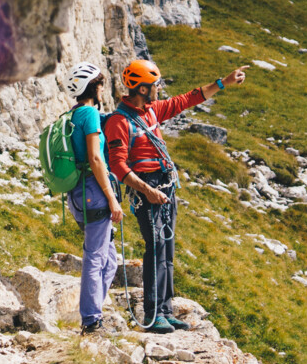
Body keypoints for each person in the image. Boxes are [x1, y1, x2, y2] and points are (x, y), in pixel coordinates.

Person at [104, 59, 248, 331]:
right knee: (155, 247)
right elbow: (118, 165)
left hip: (165, 184)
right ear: (143, 89)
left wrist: (223, 83)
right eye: (156, 85)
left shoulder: (151, 111)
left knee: (166, 248)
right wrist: (148, 191)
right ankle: (152, 314)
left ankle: (166, 310)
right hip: (146, 186)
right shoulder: (119, 121)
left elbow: (187, 100)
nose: (159, 89)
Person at [61, 62, 124, 332]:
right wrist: (112, 198)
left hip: (76, 194)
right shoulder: (88, 114)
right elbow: (96, 159)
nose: (102, 90)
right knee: (95, 257)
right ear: (92, 87)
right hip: (94, 193)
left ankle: (93, 311)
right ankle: (90, 321)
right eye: (100, 85)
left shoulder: (70, 115)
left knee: (110, 260)